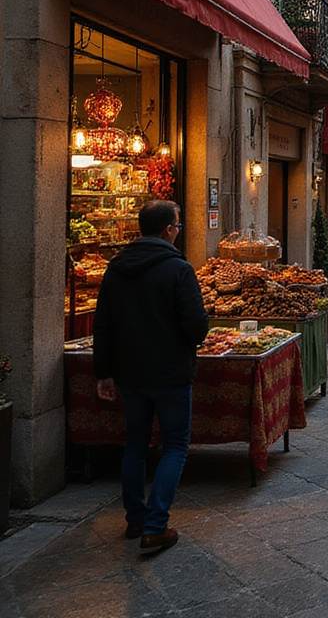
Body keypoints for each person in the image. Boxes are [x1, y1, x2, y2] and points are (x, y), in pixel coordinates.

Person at [93, 200, 209, 554]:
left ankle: (135, 519)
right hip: (170, 373)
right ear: (168, 229)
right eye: (177, 225)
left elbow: (103, 325)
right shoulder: (178, 269)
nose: (178, 230)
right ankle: (155, 526)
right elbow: (196, 328)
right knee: (175, 445)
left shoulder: (115, 269)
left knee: (135, 444)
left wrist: (104, 373)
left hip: (129, 373)